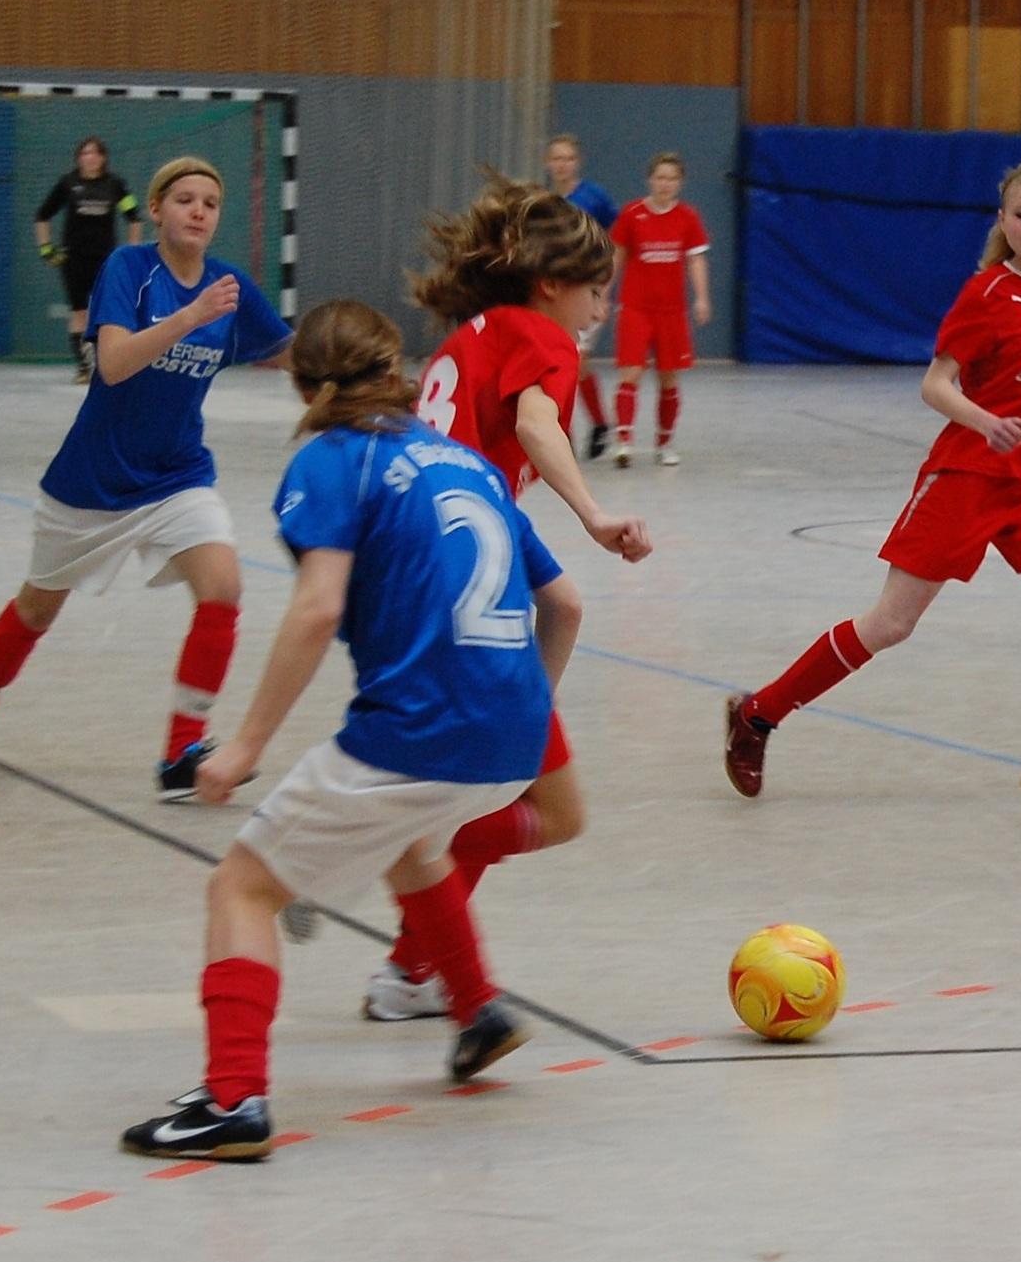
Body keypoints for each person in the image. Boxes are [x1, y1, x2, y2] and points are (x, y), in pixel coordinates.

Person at [120, 299, 583, 1160]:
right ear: (392, 367)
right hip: (513, 727)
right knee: (411, 841)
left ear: (303, 383)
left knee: (241, 889)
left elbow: (317, 606)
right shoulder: (466, 462)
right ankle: (477, 1010)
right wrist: (515, 710)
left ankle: (232, 1102)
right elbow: (563, 602)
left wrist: (247, 745)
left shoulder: (332, 460)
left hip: (415, 731)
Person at [289, 176, 648, 1023]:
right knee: (546, 812)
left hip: (425, 557)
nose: (602, 308)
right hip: (456, 572)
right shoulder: (542, 338)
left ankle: (411, 948)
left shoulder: (469, 336)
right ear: (551, 284)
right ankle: (409, 954)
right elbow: (534, 426)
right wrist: (593, 513)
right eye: (597, 291)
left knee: (555, 636)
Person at [724, 159, 1021, 801]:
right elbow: (935, 385)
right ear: (1004, 220)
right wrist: (987, 420)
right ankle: (758, 715)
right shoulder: (988, 295)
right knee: (890, 624)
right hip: (966, 477)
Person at [0, 156, 291, 796]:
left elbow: (293, 352)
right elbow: (116, 363)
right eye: (184, 199)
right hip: (92, 482)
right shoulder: (130, 269)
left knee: (223, 588)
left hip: (177, 474)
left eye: (210, 203)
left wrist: (364, 381)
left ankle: (180, 754)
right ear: (155, 210)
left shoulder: (229, 283)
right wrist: (189, 317)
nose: (198, 211)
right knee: (36, 609)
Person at [607, 151, 711, 467]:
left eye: (672, 179)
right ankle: (623, 440)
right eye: (660, 178)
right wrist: (602, 294)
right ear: (650, 180)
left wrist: (702, 297)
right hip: (636, 307)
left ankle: (665, 443)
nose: (665, 184)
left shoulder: (687, 217)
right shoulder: (632, 214)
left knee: (669, 378)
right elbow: (618, 256)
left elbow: (695, 259)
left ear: (680, 183)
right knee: (631, 372)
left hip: (671, 311)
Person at [35, 136, 144, 383]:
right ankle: (84, 367)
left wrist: (132, 253)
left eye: (94, 153)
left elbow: (134, 217)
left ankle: (110, 364)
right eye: (85, 153)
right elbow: (42, 215)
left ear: (103, 158)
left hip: (107, 259)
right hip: (74, 259)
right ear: (78, 158)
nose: (89, 158)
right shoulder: (68, 184)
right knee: (80, 312)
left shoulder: (115, 185)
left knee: (108, 312)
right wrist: (46, 248)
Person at [543, 134, 620, 458]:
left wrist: (603, 291)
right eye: (557, 158)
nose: (562, 164)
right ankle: (597, 424)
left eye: (568, 158)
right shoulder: (544, 203)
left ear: (578, 162)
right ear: (549, 163)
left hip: (587, 290)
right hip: (557, 292)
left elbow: (617, 244)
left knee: (572, 361)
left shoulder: (594, 198)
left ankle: (565, 435)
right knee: (569, 363)